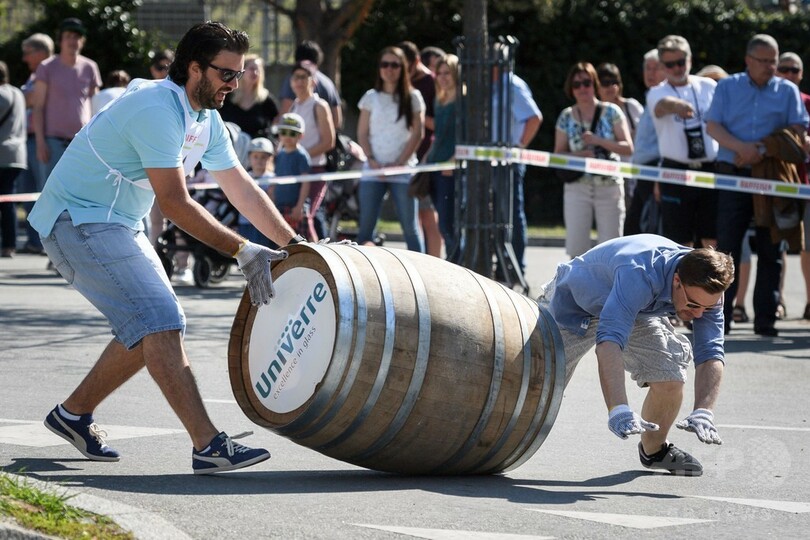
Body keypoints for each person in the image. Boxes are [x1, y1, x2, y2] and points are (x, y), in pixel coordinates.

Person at [27, 21, 304, 474]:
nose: (233, 84)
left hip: (119, 222)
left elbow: (241, 188)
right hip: (76, 221)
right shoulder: (158, 109)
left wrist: (293, 245)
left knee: (150, 324)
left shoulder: (206, 118)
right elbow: (175, 204)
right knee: (160, 320)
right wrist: (243, 251)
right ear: (195, 68)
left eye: (237, 74)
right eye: (225, 74)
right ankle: (208, 444)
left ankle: (72, 414)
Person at [537, 234, 734, 475]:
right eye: (693, 305)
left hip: (636, 311)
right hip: (574, 306)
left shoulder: (707, 290)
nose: (700, 314)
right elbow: (609, 342)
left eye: (708, 307)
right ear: (676, 281)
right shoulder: (640, 272)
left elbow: (711, 352)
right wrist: (618, 409)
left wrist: (704, 410)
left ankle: (654, 451)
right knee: (535, 386)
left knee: (670, 379)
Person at [706, 34, 808, 337]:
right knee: (727, 247)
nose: (770, 66)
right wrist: (741, 147)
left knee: (772, 246)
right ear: (748, 60)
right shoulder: (727, 87)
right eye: (764, 61)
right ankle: (720, 318)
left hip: (772, 175)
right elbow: (713, 125)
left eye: (774, 61)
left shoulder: (788, 90)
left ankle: (766, 320)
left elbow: (798, 129)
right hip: (732, 171)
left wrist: (760, 150)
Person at [554, 62, 632, 258]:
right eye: (576, 84)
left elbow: (627, 148)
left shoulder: (612, 111)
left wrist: (599, 141)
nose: (582, 88)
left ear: (594, 84)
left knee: (611, 248)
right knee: (576, 248)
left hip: (609, 186)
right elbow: (558, 155)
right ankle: (579, 288)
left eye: (586, 83)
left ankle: (609, 288)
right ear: (570, 89)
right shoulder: (566, 116)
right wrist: (581, 156)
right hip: (578, 187)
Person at [648, 35, 719, 248]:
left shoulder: (708, 86)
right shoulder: (656, 91)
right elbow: (661, 106)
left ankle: (709, 281)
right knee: (680, 241)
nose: (677, 68)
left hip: (709, 168)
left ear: (689, 60)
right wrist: (676, 105)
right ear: (662, 66)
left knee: (711, 238)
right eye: (670, 65)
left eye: (681, 62)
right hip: (676, 171)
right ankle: (682, 281)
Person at [356, 46, 425, 252]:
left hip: (402, 170)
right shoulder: (370, 96)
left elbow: (418, 133)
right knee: (365, 228)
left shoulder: (413, 96)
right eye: (384, 64)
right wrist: (371, 159)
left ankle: (422, 277)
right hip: (373, 169)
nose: (389, 69)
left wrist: (400, 163)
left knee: (410, 228)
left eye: (394, 65)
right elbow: (362, 133)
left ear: (403, 68)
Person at [492, 49, 542, 271]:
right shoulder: (491, 85)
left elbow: (534, 117)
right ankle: (501, 261)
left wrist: (518, 147)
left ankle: (514, 265)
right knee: (496, 213)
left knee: (510, 212)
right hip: (490, 161)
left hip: (508, 161)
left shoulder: (512, 85)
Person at [31, 17, 101, 176]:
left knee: (81, 193)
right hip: (53, 143)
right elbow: (38, 107)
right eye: (68, 36)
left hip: (82, 143)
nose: (73, 41)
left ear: (82, 41)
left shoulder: (90, 67)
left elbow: (96, 107)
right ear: (60, 41)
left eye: (77, 37)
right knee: (50, 195)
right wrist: (40, 143)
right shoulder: (46, 67)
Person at [774, 52, 810, 321]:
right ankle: (778, 301)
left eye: (793, 70)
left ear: (801, 74)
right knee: (779, 245)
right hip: (776, 184)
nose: (788, 74)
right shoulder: (769, 102)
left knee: (808, 246)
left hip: (805, 184)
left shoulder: (808, 102)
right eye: (782, 69)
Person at [399, 40, 442, 257]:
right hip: (405, 159)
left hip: (426, 156)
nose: (400, 71)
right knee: (412, 218)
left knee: (427, 215)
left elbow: (439, 124)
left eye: (404, 65)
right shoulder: (402, 83)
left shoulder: (432, 83)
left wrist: (418, 117)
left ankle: (435, 263)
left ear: (416, 61)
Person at [15, 33, 53, 255]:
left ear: (41, 52)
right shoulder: (35, 75)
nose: (24, 58)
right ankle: (34, 242)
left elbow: (28, 100)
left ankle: (44, 244)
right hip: (28, 140)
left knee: (41, 193)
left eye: (28, 53)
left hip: (41, 140)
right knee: (27, 193)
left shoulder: (49, 71)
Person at [289, 61, 335, 241]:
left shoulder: (319, 105)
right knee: (299, 215)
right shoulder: (294, 105)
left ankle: (324, 255)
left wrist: (302, 157)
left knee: (309, 213)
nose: (299, 82)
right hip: (295, 170)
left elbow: (328, 141)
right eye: (295, 77)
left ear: (312, 81)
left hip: (314, 171)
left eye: (303, 77)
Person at [625, 48, 667, 236]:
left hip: (655, 174)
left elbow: (667, 143)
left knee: (648, 232)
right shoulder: (649, 99)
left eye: (655, 68)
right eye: (647, 68)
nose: (650, 73)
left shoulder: (666, 101)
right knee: (633, 231)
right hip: (641, 175)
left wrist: (660, 178)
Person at [425, 54, 459, 258]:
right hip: (434, 165)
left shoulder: (463, 101)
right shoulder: (440, 99)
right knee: (442, 221)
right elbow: (439, 135)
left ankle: (456, 261)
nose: (443, 77)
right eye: (440, 73)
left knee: (448, 222)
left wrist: (452, 162)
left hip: (450, 167)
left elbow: (465, 135)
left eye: (448, 73)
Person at [278, 41, 342, 130]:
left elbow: (285, 115)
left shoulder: (295, 79)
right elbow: (337, 120)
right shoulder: (328, 82)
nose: (300, 81)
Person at [0, 61, 27, 258]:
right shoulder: (18, 92)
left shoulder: (1, 95)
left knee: (6, 201)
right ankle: (10, 244)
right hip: (18, 153)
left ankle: (8, 244)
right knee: (8, 199)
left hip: (2, 154)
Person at [271, 112, 312, 240]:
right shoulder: (279, 155)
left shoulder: (301, 156)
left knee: (305, 238)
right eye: (284, 132)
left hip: (295, 205)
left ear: (301, 136)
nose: (287, 136)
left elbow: (306, 182)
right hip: (280, 205)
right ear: (279, 134)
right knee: (282, 239)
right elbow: (275, 178)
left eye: (293, 133)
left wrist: (299, 206)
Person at [219, 54, 278, 138]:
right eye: (252, 69)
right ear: (242, 70)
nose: (255, 73)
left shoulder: (266, 99)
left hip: (257, 148)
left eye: (258, 70)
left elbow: (276, 123)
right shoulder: (228, 96)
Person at [238, 136, 275, 247]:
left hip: (265, 223)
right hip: (246, 222)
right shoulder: (244, 177)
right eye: (256, 156)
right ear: (249, 157)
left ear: (270, 158)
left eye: (263, 157)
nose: (259, 160)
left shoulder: (274, 179)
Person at [596, 63, 644, 148]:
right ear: (596, 86)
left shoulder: (632, 106)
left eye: (615, 82)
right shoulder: (592, 112)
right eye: (606, 83)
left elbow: (648, 135)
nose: (611, 86)